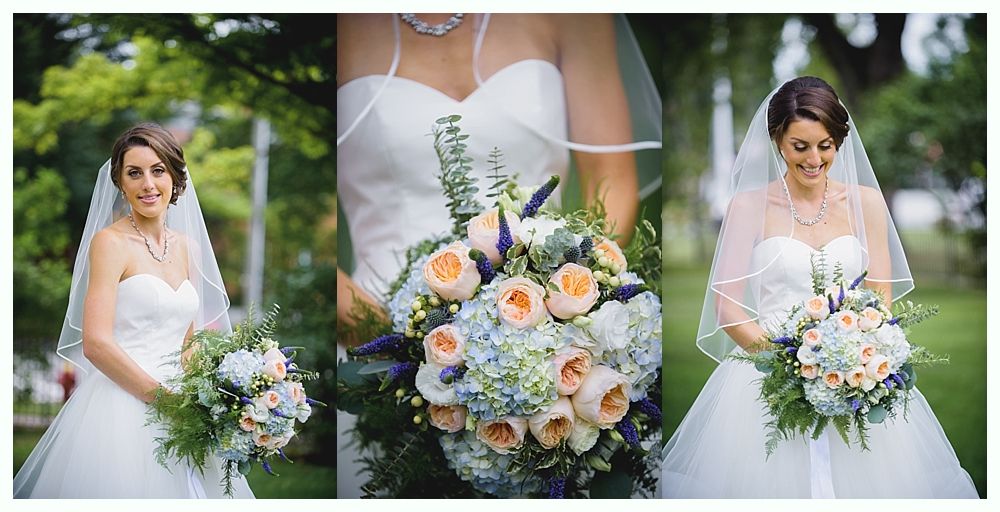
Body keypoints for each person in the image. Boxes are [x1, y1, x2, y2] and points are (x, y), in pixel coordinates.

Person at [336, 13, 661, 497]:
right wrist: (407, 347)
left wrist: (575, 311)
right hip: (376, 328)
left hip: (557, 327)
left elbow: (609, 179)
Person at [660, 77, 978, 498]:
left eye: (825, 145)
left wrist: (855, 361)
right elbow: (728, 310)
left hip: (856, 372)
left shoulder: (866, 202)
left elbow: (880, 295)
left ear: (839, 141)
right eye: (800, 146)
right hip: (767, 379)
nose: (814, 158)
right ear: (777, 140)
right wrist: (794, 370)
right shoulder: (748, 206)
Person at [14, 123, 254, 498]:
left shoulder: (188, 247)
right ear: (120, 183)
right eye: (134, 173)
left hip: (185, 408)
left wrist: (202, 399)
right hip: (122, 406)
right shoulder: (110, 243)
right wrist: (165, 401)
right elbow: (95, 343)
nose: (148, 184)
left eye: (158, 170)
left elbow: (188, 340)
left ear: (176, 178)